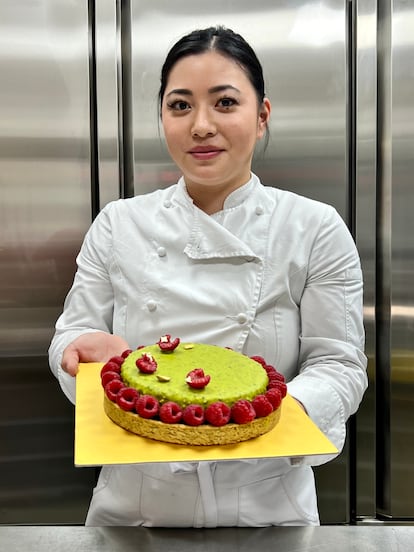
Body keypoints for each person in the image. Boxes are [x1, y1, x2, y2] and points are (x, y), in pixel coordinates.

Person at [49, 26, 368, 526]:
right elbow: (71, 336)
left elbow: (340, 365)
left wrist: (256, 420)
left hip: (267, 508)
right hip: (134, 509)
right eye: (180, 106)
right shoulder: (119, 223)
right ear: (162, 117)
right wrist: (82, 358)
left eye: (224, 103)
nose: (201, 125)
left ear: (261, 116)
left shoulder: (313, 227)